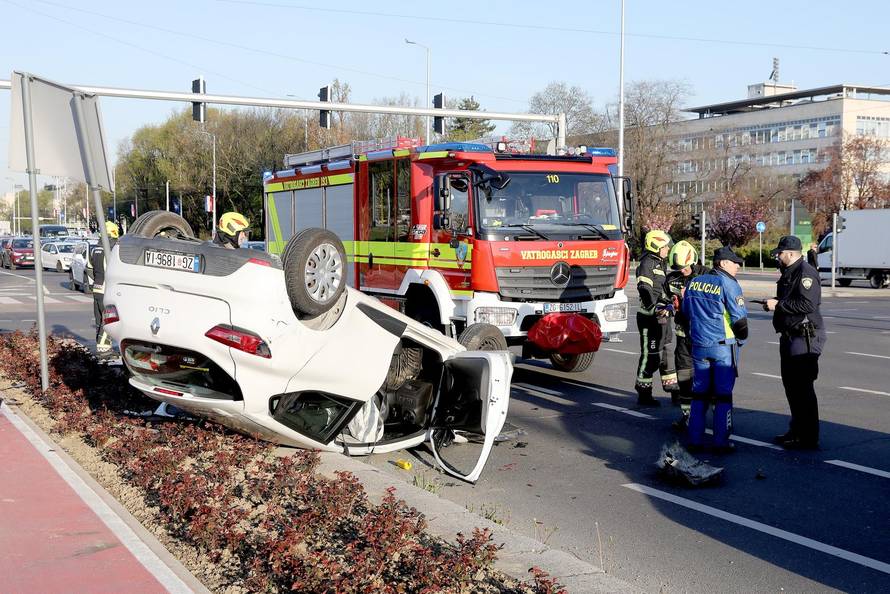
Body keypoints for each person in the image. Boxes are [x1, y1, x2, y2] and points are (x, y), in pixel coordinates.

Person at [681, 246, 748, 452]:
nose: (737, 265)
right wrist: (742, 340)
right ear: (723, 263)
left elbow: (684, 314)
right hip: (722, 348)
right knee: (723, 396)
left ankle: (694, 440)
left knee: (699, 395)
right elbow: (740, 322)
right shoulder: (729, 284)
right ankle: (721, 442)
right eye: (734, 262)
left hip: (699, 346)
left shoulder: (694, 282)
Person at [764, 235, 826, 450]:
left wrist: (778, 305)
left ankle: (808, 437)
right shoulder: (790, 272)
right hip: (791, 335)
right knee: (792, 387)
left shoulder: (805, 272)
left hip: (805, 336)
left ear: (790, 253)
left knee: (803, 388)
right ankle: (797, 430)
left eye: (780, 253)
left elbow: (807, 304)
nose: (777, 257)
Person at [665, 240, 709, 428]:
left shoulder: (708, 276)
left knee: (709, 378)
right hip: (684, 337)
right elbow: (663, 300)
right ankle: (688, 415)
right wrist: (666, 307)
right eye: (678, 268)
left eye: (684, 267)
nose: (682, 271)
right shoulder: (672, 279)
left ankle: (719, 418)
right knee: (684, 377)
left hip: (704, 337)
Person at [634, 229, 678, 407]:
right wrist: (654, 307)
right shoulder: (647, 263)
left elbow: (662, 289)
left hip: (663, 317)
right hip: (649, 319)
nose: (668, 249)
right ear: (656, 246)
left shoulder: (660, 263)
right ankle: (643, 393)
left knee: (667, 354)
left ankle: (674, 391)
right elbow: (644, 288)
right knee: (651, 356)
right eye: (666, 246)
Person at [87, 221, 120, 356]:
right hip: (107, 289)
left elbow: (89, 269)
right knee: (108, 320)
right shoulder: (111, 250)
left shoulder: (94, 249)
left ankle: (100, 345)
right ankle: (104, 349)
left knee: (99, 318)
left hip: (97, 288)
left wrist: (93, 285)